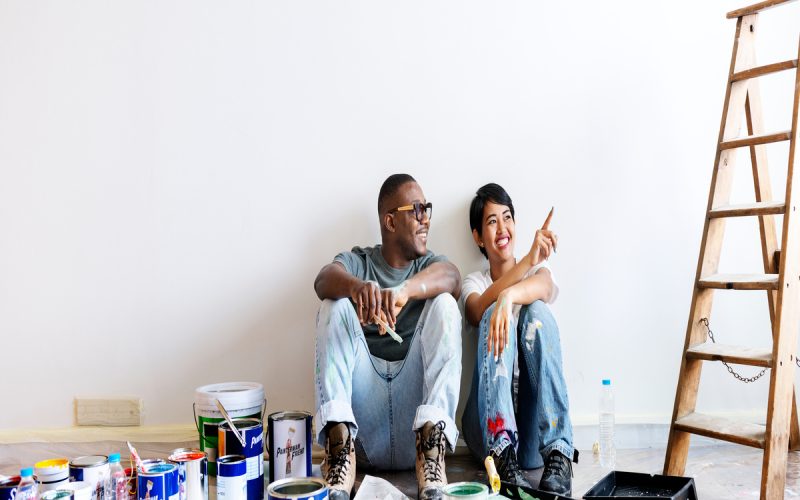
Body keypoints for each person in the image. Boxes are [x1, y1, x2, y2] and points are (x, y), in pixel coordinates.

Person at [313, 174, 462, 500]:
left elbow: (453, 277)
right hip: (364, 433)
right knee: (332, 306)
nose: (425, 218)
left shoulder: (429, 266)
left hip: (416, 434)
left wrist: (405, 291)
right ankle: (339, 456)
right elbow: (323, 279)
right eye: (417, 209)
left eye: (428, 209)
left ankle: (433, 459)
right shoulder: (359, 261)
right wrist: (356, 288)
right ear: (390, 221)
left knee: (446, 305)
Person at [461, 183, 576, 496]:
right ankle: (501, 453)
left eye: (507, 217)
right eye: (492, 221)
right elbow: (475, 311)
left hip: (530, 435)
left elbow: (545, 287)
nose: (502, 227)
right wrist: (521, 266)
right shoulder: (474, 281)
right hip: (484, 427)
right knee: (489, 313)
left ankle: (559, 454)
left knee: (536, 310)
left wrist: (509, 297)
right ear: (477, 236)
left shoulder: (539, 269)